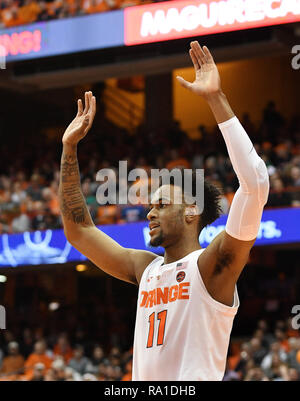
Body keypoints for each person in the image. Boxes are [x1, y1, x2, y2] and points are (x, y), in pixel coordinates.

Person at [58, 41, 269, 381]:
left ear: (191, 211)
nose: (150, 213)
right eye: (150, 206)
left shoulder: (212, 267)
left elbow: (256, 185)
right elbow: (78, 231)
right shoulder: (146, 269)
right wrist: (69, 150)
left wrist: (216, 99)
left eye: (161, 204)